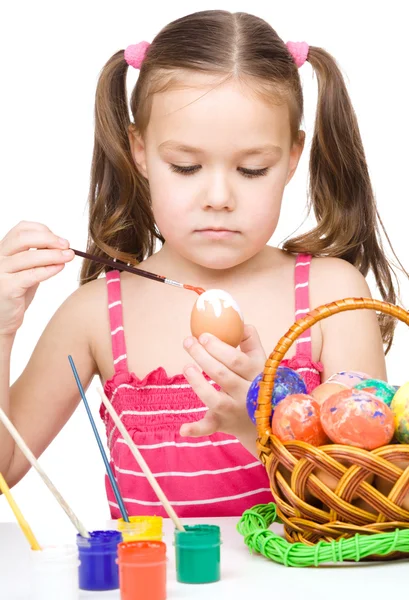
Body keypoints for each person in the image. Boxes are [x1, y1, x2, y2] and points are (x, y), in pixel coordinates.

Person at [0, 10, 403, 518]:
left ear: (293, 155)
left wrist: (265, 423)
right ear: (140, 151)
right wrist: (1, 328)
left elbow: (367, 495)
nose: (218, 197)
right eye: (186, 167)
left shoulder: (330, 297)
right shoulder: (96, 313)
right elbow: (5, 467)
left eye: (252, 169)